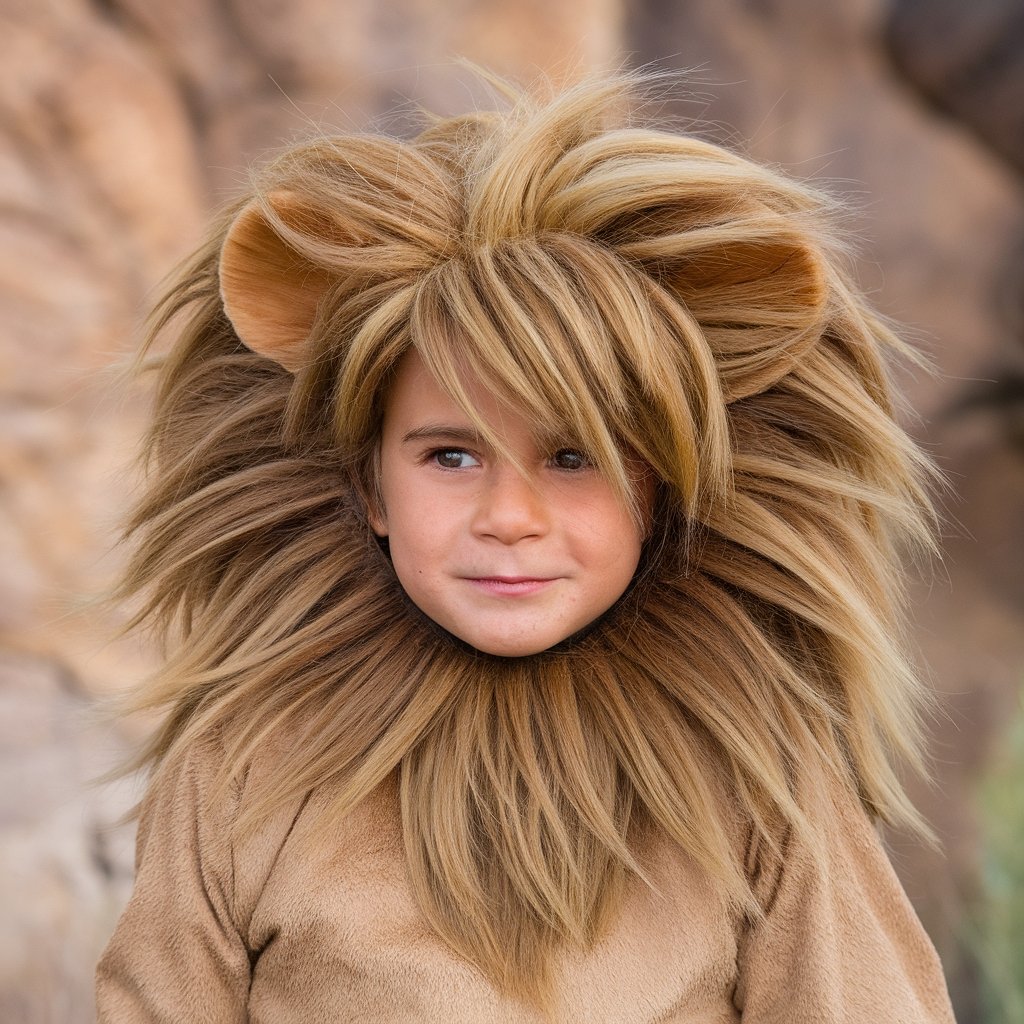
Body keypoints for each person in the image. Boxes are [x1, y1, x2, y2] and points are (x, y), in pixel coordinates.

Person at [95, 68, 958, 1023]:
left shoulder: (756, 779)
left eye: (573, 456)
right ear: (369, 486)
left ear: (658, 487)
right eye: (452, 455)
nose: (510, 515)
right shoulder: (245, 769)